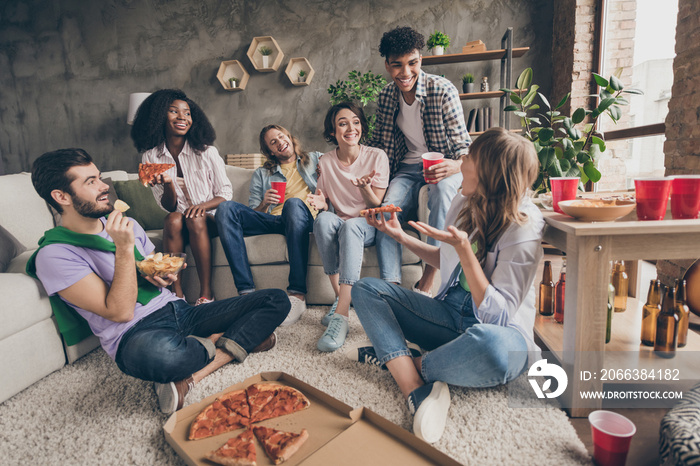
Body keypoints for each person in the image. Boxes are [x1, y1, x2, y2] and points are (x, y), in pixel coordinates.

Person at [27, 149, 289, 414]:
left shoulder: (127, 224)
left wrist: (161, 275)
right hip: (135, 334)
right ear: (61, 197)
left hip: (180, 310)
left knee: (276, 300)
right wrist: (124, 248)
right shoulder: (54, 255)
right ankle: (229, 339)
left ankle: (195, 372)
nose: (104, 186)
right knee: (164, 357)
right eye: (90, 182)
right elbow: (120, 311)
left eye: (99, 177)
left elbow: (153, 266)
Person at [347, 128, 544, 444]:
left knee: (493, 347)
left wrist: (466, 251)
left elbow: (498, 317)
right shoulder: (464, 200)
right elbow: (445, 259)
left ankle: (400, 361)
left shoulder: (524, 227)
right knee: (367, 290)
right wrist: (399, 236)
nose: (461, 161)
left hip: (499, 334)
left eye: (470, 157)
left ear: (489, 173)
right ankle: (415, 387)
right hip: (449, 315)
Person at [368, 26, 471, 296]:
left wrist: (456, 165)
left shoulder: (442, 90)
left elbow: (464, 145)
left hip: (445, 165)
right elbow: (379, 145)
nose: (405, 73)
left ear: (420, 60)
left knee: (443, 192)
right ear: (387, 65)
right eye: (397, 65)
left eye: (412, 63)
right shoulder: (386, 97)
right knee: (386, 212)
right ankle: (390, 289)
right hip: (405, 168)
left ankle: (427, 282)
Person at [131, 89, 232, 305]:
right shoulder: (151, 156)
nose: (182, 118)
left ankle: (206, 294)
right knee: (172, 219)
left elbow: (225, 193)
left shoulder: (206, 152)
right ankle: (177, 295)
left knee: (194, 217)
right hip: (180, 222)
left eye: (187, 113)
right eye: (174, 112)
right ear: (159, 116)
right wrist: (169, 184)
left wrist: (202, 207)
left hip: (210, 220)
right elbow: (167, 206)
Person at [215, 125, 321, 325]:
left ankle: (297, 294)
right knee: (225, 209)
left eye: (281, 137)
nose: (280, 142)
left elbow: (340, 170)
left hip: (302, 218)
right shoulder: (262, 173)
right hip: (274, 220)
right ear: (270, 151)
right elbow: (254, 213)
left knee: (293, 204)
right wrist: (264, 203)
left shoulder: (315, 159)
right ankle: (246, 294)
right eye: (273, 142)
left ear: (289, 137)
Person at [307, 102, 390, 352]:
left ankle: (341, 316)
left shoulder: (377, 156)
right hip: (341, 221)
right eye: (342, 123)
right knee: (322, 220)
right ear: (333, 132)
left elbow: (376, 206)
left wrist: (364, 187)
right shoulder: (326, 161)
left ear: (362, 126)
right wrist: (322, 204)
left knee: (352, 225)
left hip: (368, 223)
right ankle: (340, 297)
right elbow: (327, 201)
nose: (350, 128)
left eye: (355, 122)